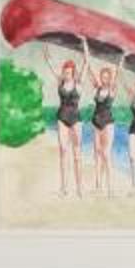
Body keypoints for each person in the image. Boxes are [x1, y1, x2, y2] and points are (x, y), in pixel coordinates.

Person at [50, 54, 85, 199]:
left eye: (69, 72)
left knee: (77, 154)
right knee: (63, 151)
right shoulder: (60, 82)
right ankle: (64, 188)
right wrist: (49, 59)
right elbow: (52, 69)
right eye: (65, 72)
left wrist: (85, 51)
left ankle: (79, 187)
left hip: (76, 119)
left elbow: (85, 65)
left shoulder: (78, 84)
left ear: (73, 73)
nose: (67, 74)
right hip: (62, 118)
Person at [86, 50, 119, 196]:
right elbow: (90, 70)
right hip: (96, 122)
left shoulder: (112, 89)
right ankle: (98, 186)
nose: (104, 79)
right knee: (97, 154)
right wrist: (85, 48)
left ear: (110, 78)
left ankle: (110, 188)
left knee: (106, 154)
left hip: (108, 123)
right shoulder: (98, 88)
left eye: (107, 77)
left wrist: (121, 59)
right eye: (102, 76)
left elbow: (117, 73)